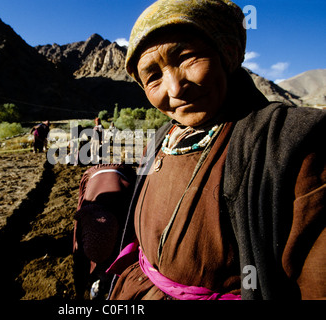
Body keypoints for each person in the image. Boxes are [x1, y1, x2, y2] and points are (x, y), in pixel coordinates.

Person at [107, 0, 325, 300]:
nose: (174, 88)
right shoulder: (161, 138)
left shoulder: (294, 142)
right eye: (153, 76)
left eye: (186, 57)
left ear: (227, 53)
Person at [73, 164, 136, 299]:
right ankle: (101, 277)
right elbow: (78, 254)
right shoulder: (85, 219)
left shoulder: (125, 211)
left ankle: (108, 278)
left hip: (120, 177)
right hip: (96, 180)